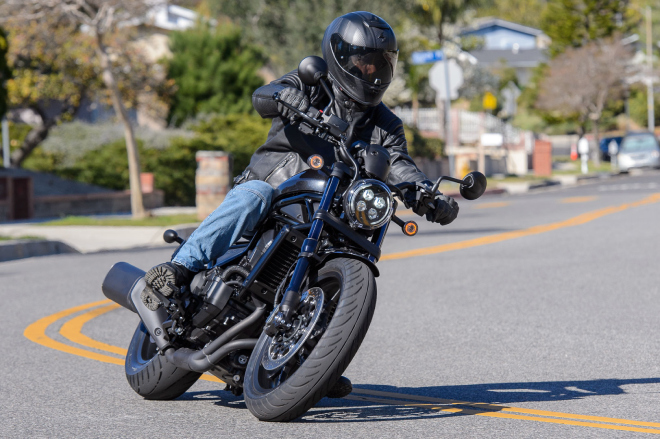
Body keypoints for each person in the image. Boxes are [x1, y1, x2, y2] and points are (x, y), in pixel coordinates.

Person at [143, 11, 459, 331]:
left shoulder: (386, 124)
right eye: (363, 61)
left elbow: (398, 162)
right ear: (340, 57)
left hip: (332, 206)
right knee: (252, 198)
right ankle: (177, 270)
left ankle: (315, 360)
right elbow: (264, 95)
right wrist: (285, 96)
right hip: (277, 186)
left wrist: (425, 192)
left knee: (346, 248)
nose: (371, 70)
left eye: (380, 62)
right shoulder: (311, 84)